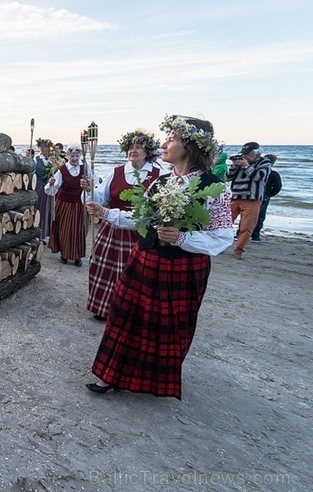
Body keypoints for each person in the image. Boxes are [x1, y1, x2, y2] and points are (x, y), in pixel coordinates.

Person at [84, 115, 233, 399]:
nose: (164, 144)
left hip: (184, 267)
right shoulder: (161, 182)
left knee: (168, 325)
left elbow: (223, 235)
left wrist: (182, 238)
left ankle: (154, 379)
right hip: (145, 258)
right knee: (125, 315)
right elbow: (141, 219)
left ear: (190, 146)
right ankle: (110, 375)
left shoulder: (215, 188)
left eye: (172, 139)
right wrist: (106, 213)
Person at [84, 130, 163, 321]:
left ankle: (127, 314)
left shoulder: (159, 175)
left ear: (148, 152)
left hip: (140, 233)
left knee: (135, 274)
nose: (133, 150)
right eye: (131, 147)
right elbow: (101, 197)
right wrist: (89, 191)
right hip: (112, 230)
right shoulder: (117, 171)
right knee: (105, 268)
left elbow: (158, 211)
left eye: (138, 147)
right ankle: (102, 308)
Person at [45, 145, 94, 266]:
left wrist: (89, 186)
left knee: (80, 230)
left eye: (77, 156)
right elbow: (54, 188)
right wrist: (50, 184)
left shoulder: (85, 167)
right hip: (65, 203)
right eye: (72, 156)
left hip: (80, 203)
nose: (75, 158)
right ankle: (64, 254)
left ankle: (77, 256)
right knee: (64, 229)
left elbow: (94, 181)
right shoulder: (62, 170)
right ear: (68, 157)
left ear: (80, 156)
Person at [226, 142, 271, 259]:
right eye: (243, 154)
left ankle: (239, 250)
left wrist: (246, 166)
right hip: (235, 197)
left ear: (256, 153)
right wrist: (234, 166)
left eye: (248, 154)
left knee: (246, 227)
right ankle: (218, 245)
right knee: (224, 223)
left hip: (252, 199)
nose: (245, 156)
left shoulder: (264, 163)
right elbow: (227, 177)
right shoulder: (240, 161)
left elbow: (259, 177)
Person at [251, 154, 281, 241]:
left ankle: (240, 233)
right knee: (260, 216)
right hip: (264, 195)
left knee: (247, 214)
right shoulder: (273, 174)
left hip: (254, 194)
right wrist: (269, 194)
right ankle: (255, 235)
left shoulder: (257, 172)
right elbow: (277, 187)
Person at [34, 138, 54, 242]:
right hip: (39, 188)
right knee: (39, 210)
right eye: (41, 147)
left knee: (48, 211)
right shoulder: (36, 160)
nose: (43, 149)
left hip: (50, 189)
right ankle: (36, 233)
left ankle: (45, 234)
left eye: (45, 147)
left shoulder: (53, 160)